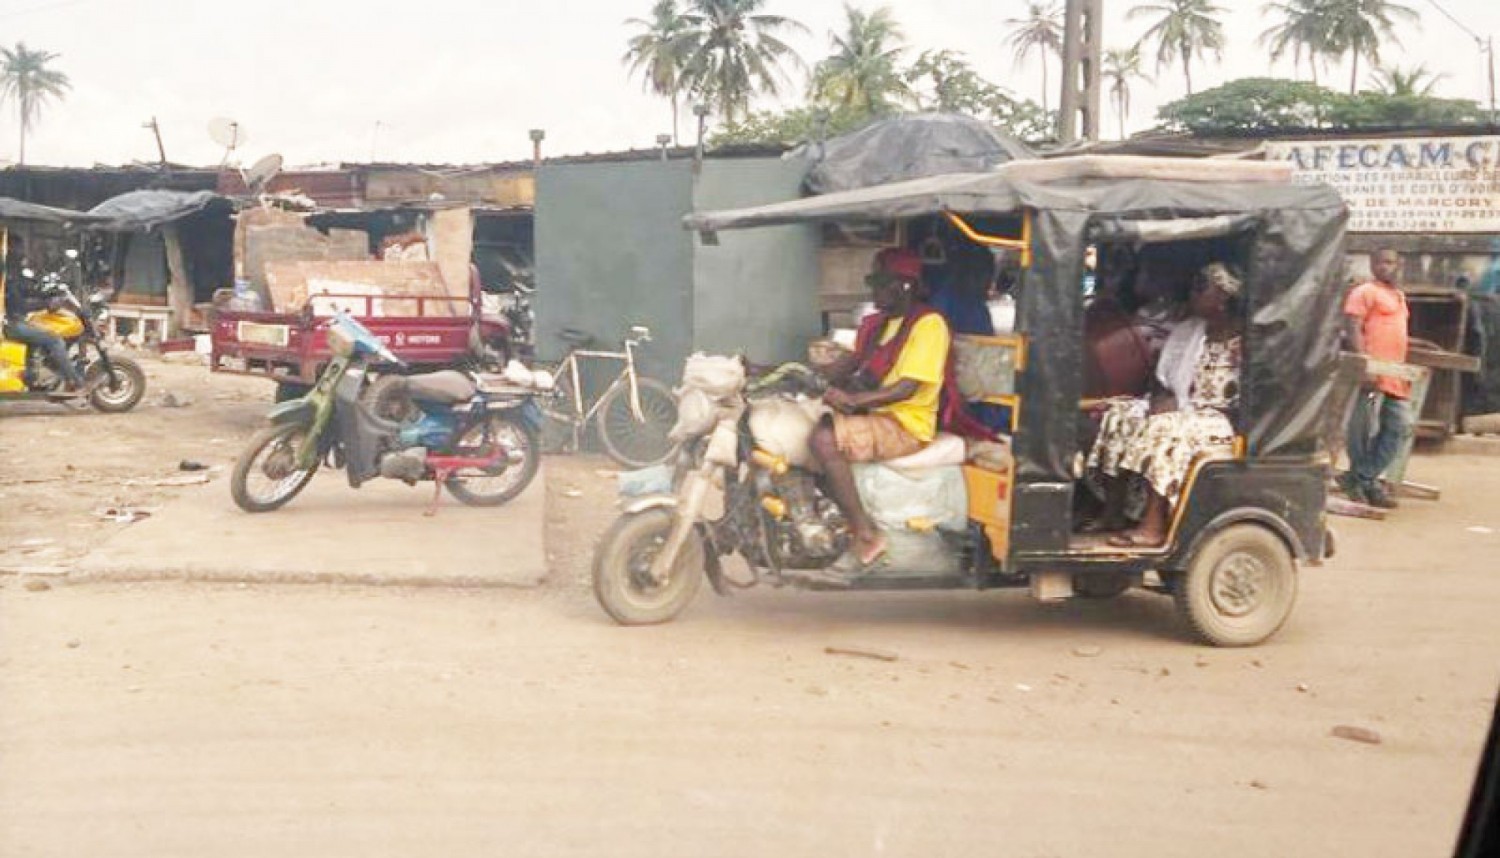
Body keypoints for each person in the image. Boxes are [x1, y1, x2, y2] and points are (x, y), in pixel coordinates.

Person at [810, 247, 953, 569]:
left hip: (905, 424)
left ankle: (864, 533)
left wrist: (853, 401)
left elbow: (907, 388)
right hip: (877, 415)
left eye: (878, 281)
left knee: (823, 439)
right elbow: (842, 367)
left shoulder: (929, 325)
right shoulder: (879, 325)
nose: (871, 289)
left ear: (904, 285)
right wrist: (781, 373)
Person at [1085, 261, 1244, 547]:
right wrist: (1162, 400)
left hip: (1221, 419)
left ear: (1222, 296)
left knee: (1166, 428)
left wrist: (1179, 410)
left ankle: (1153, 525)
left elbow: (1253, 395)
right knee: (1119, 414)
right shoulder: (1191, 330)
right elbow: (1164, 378)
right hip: (1187, 408)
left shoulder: (1245, 341)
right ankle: (1113, 511)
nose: (1192, 295)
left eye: (1201, 288)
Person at [1339, 247, 1412, 509]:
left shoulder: (1399, 296)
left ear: (1399, 265)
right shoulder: (1364, 292)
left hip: (1395, 375)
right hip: (1371, 373)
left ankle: (1362, 477)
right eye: (1380, 262)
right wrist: (1364, 363)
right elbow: (1352, 327)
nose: (1385, 267)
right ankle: (1366, 482)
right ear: (1372, 264)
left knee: (1401, 425)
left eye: (1391, 262)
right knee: (1362, 429)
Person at [2, 235, 86, 394]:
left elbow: (25, 289)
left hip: (11, 320)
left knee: (40, 337)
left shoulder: (11, 272)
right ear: (10, 249)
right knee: (54, 340)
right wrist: (46, 304)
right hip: (10, 323)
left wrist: (45, 293)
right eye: (18, 248)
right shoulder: (7, 274)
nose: (22, 252)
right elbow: (19, 304)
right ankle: (74, 382)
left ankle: (35, 376)